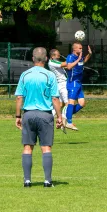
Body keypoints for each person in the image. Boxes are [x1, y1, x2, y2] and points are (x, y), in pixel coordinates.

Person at [15, 47, 63, 188]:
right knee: (46, 148)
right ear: (46, 59)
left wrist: (18, 116)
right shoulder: (50, 75)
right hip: (45, 115)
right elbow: (55, 99)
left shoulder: (25, 75)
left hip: (28, 114)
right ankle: (47, 181)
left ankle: (27, 181)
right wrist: (60, 117)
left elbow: (19, 97)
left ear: (32, 59)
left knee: (28, 147)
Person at [64, 42, 93, 131]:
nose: (81, 50)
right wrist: (78, 59)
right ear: (74, 49)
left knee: (82, 103)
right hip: (72, 83)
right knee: (71, 102)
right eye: (80, 48)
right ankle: (69, 122)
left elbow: (84, 61)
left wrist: (90, 54)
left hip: (79, 83)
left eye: (81, 48)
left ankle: (64, 116)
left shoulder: (79, 58)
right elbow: (68, 67)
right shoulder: (71, 57)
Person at [48, 49, 69, 133]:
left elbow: (67, 66)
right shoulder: (53, 62)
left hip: (60, 84)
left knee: (59, 105)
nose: (59, 55)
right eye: (57, 55)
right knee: (68, 103)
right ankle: (63, 120)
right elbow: (65, 64)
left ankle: (52, 120)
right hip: (62, 84)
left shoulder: (54, 62)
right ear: (52, 56)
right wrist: (72, 58)